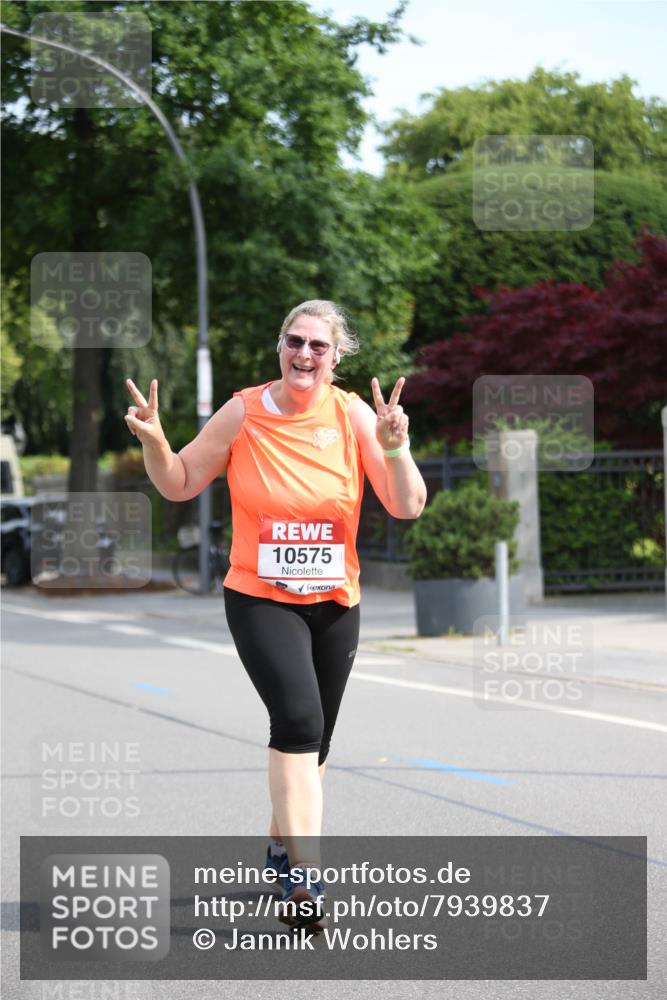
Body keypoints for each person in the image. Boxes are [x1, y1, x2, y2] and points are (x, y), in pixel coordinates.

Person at [125, 299, 426, 930]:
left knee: (314, 743)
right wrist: (156, 441)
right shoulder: (244, 410)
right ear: (280, 346)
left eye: (319, 346)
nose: (305, 355)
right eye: (295, 342)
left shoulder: (353, 415)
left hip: (334, 601)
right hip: (260, 595)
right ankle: (307, 882)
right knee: (297, 720)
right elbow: (179, 481)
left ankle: (279, 845)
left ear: (337, 357)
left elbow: (406, 507)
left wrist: (396, 448)